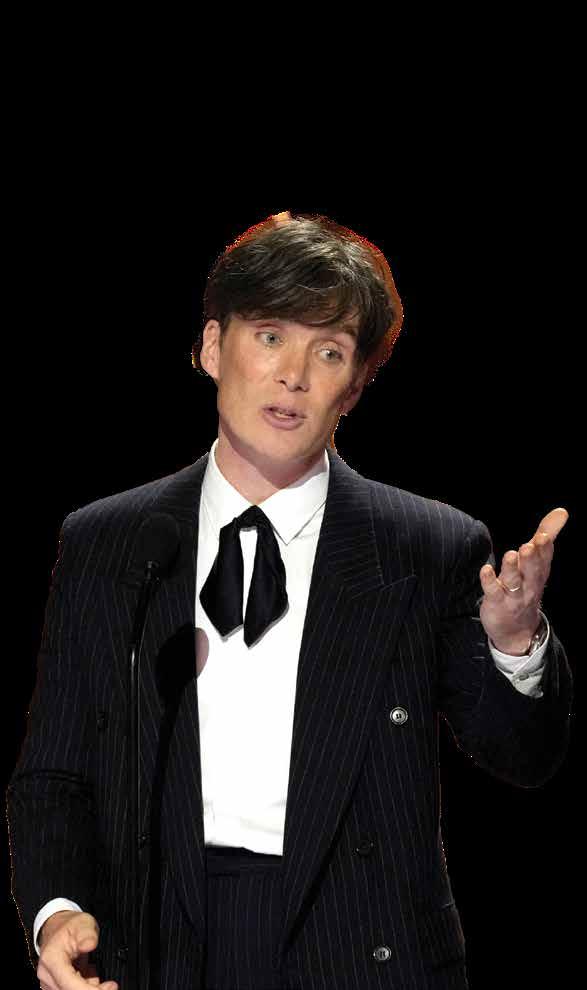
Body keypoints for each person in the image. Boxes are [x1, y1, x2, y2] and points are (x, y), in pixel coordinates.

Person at [7, 211, 573, 990]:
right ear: (213, 347)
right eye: (270, 336)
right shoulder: (109, 542)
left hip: (357, 945)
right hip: (159, 942)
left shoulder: (426, 547)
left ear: (356, 385)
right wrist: (57, 911)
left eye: (329, 351)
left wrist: (514, 643)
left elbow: (523, 760)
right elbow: (54, 774)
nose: (294, 375)